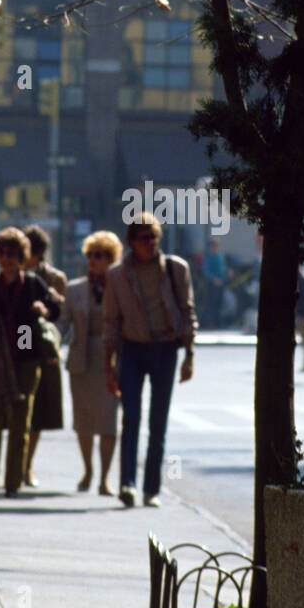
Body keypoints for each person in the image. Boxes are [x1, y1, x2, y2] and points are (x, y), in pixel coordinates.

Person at [103, 212, 196, 508]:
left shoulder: (175, 269)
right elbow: (111, 321)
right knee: (130, 418)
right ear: (132, 242)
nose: (151, 243)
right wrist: (109, 364)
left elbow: (187, 311)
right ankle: (127, 484)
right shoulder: (117, 275)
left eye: (154, 237)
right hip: (132, 349)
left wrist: (189, 354)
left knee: (159, 423)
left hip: (166, 349)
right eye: (145, 238)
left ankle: (151, 489)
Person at [0, 227, 61, 497]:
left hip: (25, 359)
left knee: (20, 421)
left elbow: (56, 308)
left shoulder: (34, 284)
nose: (6, 258)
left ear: (22, 256)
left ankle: (12, 482)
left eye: (12, 253)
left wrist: (43, 310)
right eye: (1, 253)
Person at [59, 230, 123, 496]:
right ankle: (87, 470)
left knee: (108, 422)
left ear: (112, 258)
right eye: (90, 255)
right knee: (83, 421)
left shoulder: (120, 288)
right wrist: (44, 341)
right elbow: (61, 324)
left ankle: (105, 478)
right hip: (81, 361)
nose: (94, 260)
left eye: (100, 256)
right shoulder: (74, 289)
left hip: (111, 362)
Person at [21, 225, 66, 488]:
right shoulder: (13, 274)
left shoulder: (53, 279)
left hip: (44, 352)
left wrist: (53, 344)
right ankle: (17, 465)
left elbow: (62, 320)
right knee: (17, 409)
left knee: (37, 412)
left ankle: (27, 466)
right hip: (20, 346)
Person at [202, 237, 228, 328]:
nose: (215, 248)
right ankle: (209, 323)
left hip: (221, 284)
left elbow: (223, 268)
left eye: (217, 246)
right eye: (214, 246)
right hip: (212, 285)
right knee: (211, 304)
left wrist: (226, 274)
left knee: (220, 304)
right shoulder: (208, 257)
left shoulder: (221, 256)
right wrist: (214, 279)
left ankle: (219, 323)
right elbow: (206, 271)